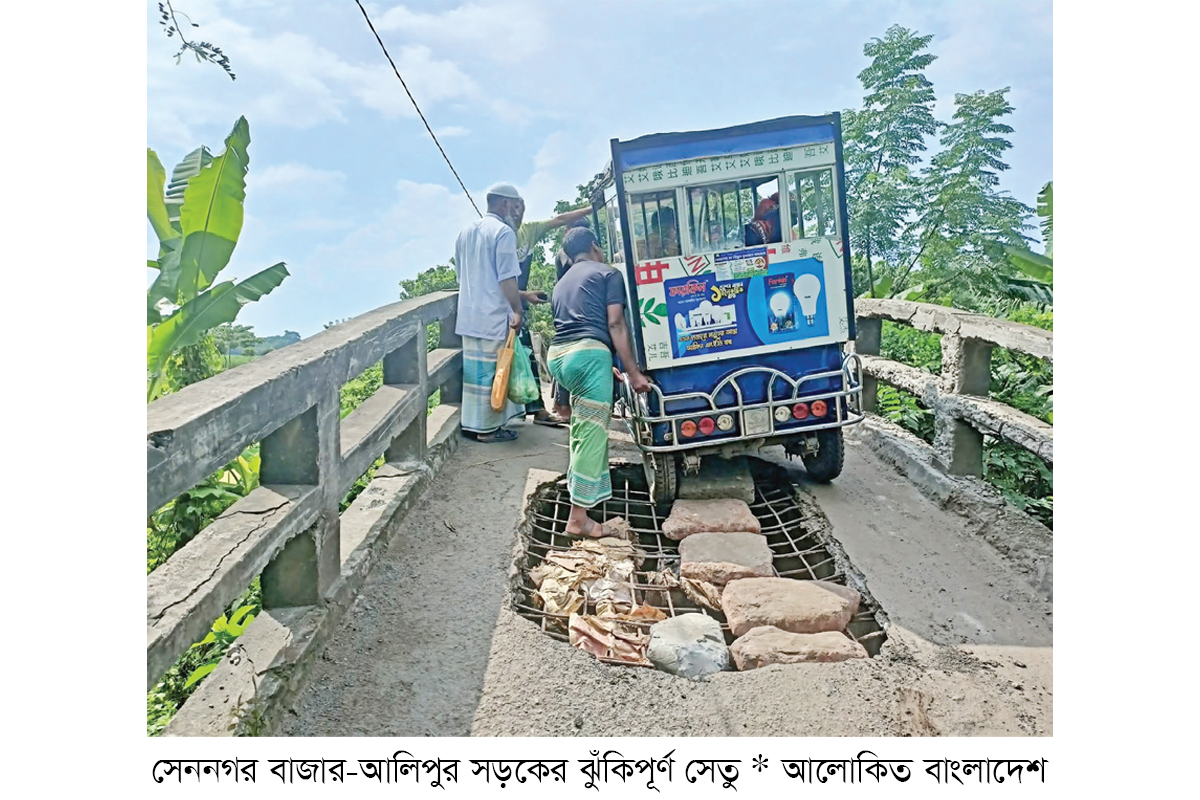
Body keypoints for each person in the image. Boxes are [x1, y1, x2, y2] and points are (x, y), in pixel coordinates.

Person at [547, 227, 651, 537]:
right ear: (595, 246)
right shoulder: (608, 273)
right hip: (589, 356)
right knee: (593, 435)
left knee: (581, 431)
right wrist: (633, 373)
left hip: (559, 359)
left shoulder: (560, 284)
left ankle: (582, 504)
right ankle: (579, 520)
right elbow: (615, 323)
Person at [453, 182, 545, 443]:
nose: (516, 212)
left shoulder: (465, 232)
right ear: (505, 204)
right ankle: (488, 430)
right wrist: (517, 308)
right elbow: (507, 277)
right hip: (493, 315)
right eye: (515, 206)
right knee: (495, 373)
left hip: (469, 315)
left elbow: (465, 275)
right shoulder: (503, 233)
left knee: (476, 376)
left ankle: (474, 425)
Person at [511, 199, 594, 426]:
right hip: (503, 305)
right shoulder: (496, 236)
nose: (516, 214)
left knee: (526, 355)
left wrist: (593, 206)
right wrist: (523, 295)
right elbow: (494, 281)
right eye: (512, 209)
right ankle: (542, 408)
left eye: (520, 209)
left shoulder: (528, 231)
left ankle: (537, 408)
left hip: (520, 304)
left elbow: (560, 219)